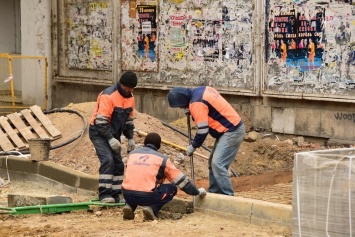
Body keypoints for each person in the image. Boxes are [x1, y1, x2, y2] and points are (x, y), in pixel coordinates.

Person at [167, 86, 245, 196]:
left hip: (232, 131)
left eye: (180, 106)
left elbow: (203, 130)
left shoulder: (197, 103)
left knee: (218, 164)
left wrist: (194, 146)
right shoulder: (201, 91)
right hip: (229, 128)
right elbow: (209, 108)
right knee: (212, 163)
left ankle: (228, 197)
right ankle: (214, 193)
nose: (181, 108)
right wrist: (191, 108)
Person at [122, 132, 206, 221]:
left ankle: (129, 206)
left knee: (136, 182)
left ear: (145, 143)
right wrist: (196, 192)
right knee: (172, 188)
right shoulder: (162, 159)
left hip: (127, 195)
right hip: (147, 197)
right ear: (159, 146)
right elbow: (181, 180)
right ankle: (152, 210)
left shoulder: (132, 155)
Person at [89, 71, 138, 203]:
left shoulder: (131, 98)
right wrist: (110, 139)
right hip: (99, 132)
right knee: (108, 160)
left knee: (118, 164)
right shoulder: (108, 96)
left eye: (132, 88)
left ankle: (116, 195)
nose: (129, 90)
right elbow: (101, 122)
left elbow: (128, 120)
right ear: (121, 84)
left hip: (114, 133)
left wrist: (131, 138)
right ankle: (104, 195)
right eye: (127, 87)